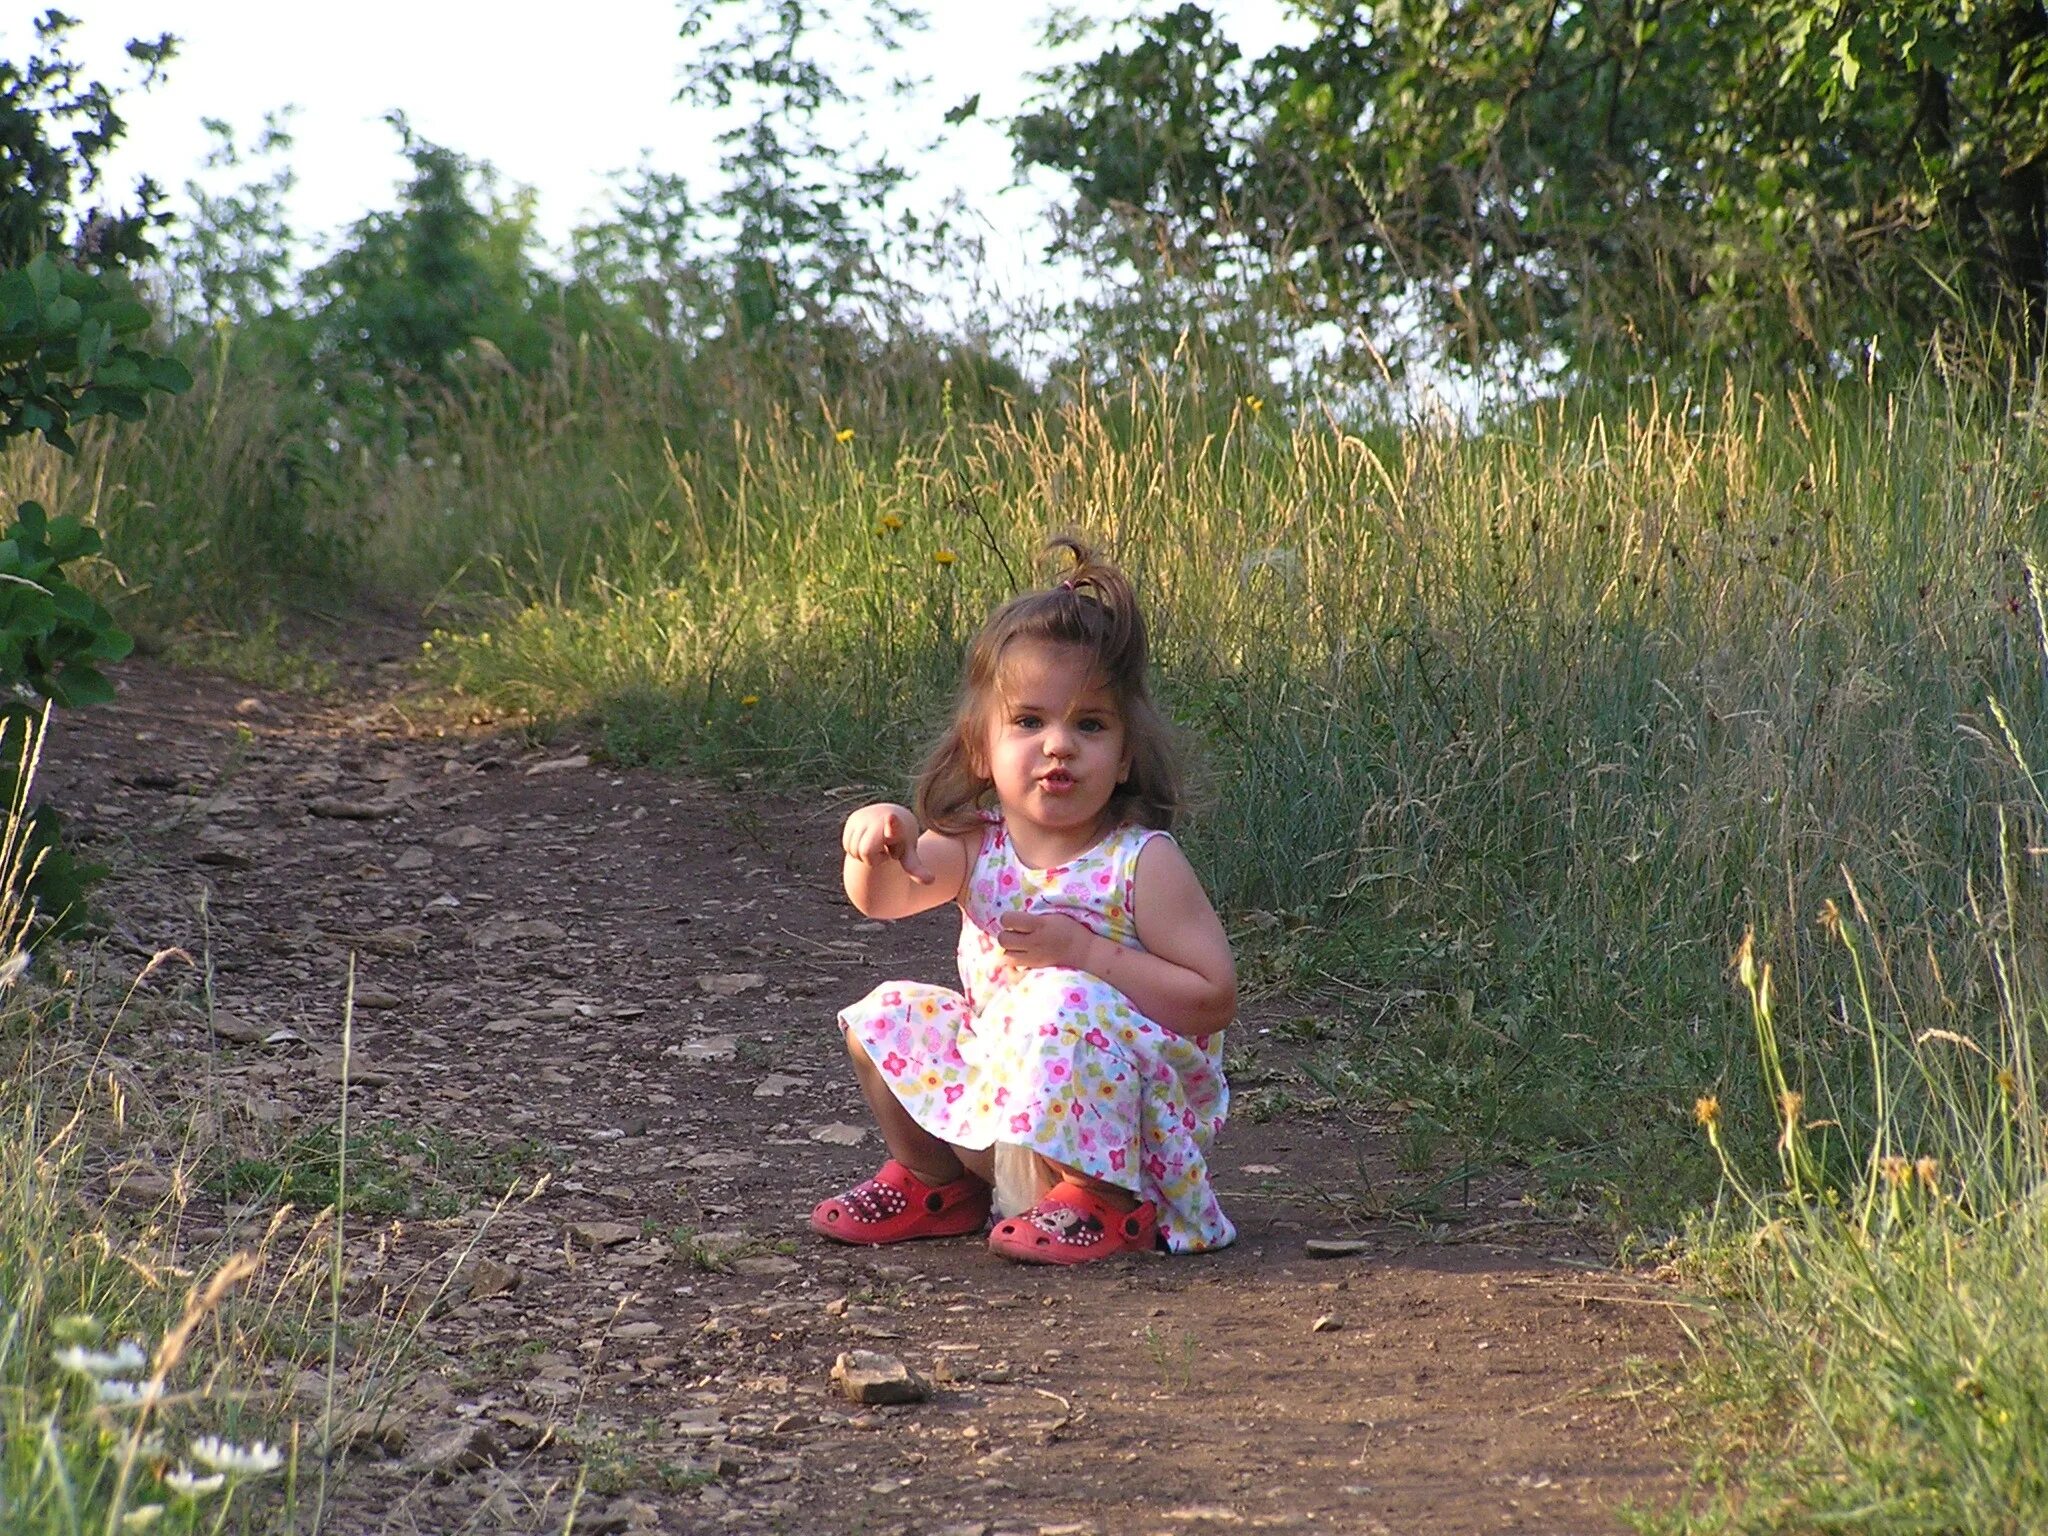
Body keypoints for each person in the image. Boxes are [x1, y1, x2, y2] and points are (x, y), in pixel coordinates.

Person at [810, 538, 1236, 1265]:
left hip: (1125, 1133)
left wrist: (1088, 955)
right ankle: (938, 1182)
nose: (1059, 746)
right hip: (1007, 1110)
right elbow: (885, 898)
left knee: (1061, 997)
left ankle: (1103, 1201)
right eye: (1030, 722)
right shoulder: (981, 844)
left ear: (1126, 754)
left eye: (1090, 725)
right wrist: (878, 843)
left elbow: (1212, 998)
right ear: (981, 748)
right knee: (884, 1011)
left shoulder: (1140, 862)